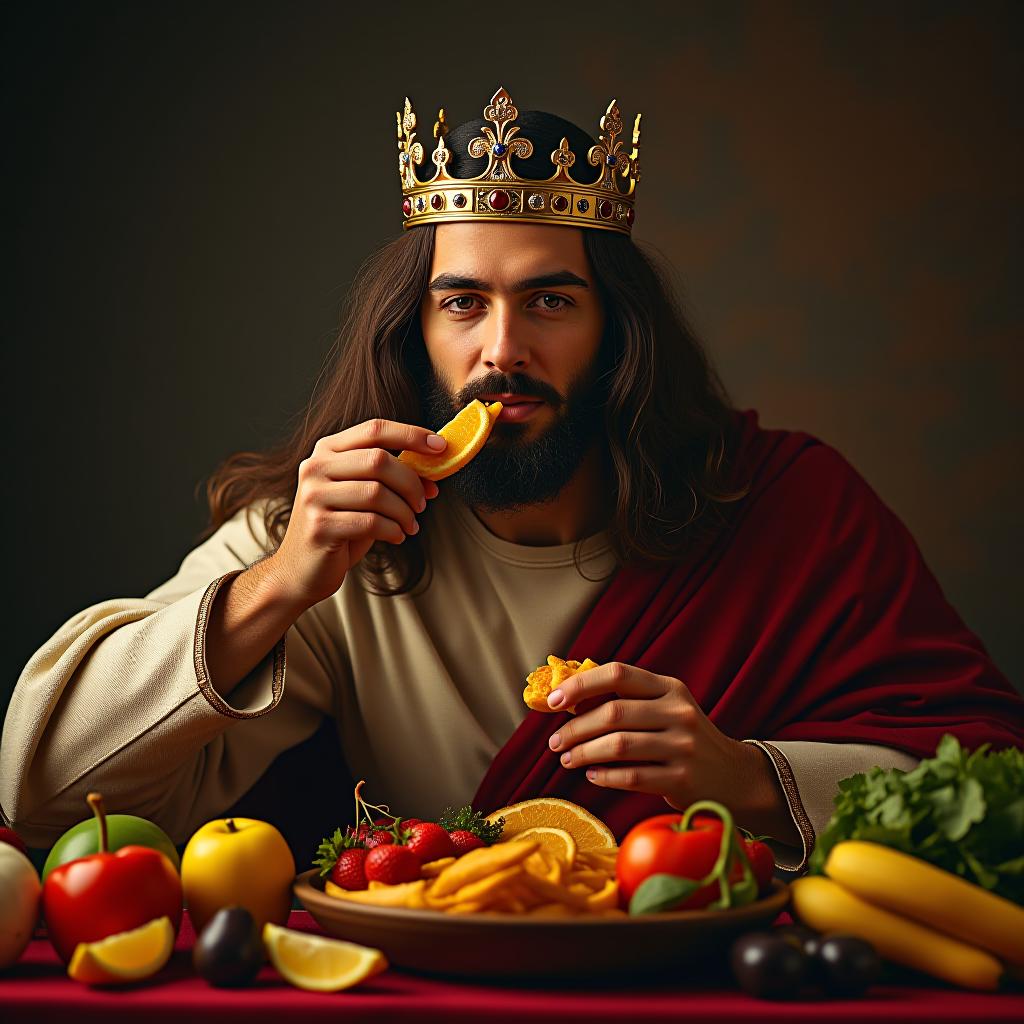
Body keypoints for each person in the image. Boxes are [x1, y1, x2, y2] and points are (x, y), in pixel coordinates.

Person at [2, 88, 1021, 869]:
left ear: (616, 332)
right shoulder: (323, 530)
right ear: (416, 333)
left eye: (548, 301)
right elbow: (40, 788)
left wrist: (743, 776)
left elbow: (992, 785)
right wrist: (277, 588)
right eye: (461, 305)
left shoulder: (789, 507)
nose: (501, 348)